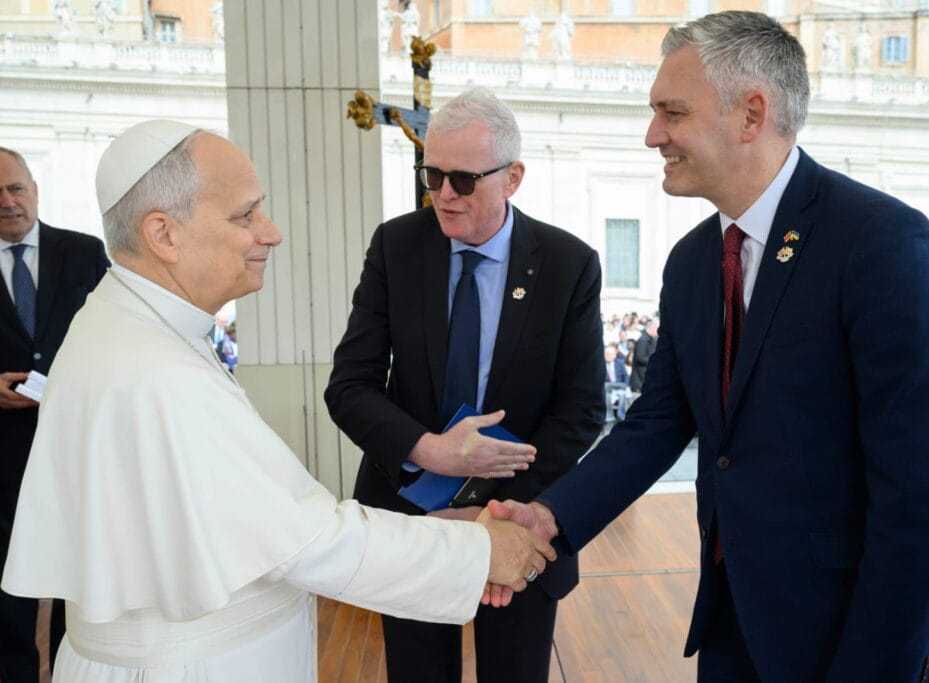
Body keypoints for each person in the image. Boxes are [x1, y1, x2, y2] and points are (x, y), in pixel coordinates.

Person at [485, 11, 929, 681]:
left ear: (752, 114)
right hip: (737, 621)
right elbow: (658, 422)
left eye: (672, 113)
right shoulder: (692, 262)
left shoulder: (881, 243)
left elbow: (921, 501)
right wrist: (551, 515)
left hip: (863, 633)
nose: (652, 135)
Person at [1, 119, 554, 682]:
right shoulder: (155, 371)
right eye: (245, 215)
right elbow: (308, 542)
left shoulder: (125, 323)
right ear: (163, 234)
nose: (271, 233)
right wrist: (480, 552)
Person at [324, 88, 604, 683]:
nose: (444, 195)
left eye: (463, 180)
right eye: (432, 176)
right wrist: (431, 451)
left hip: (519, 519)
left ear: (513, 178)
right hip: (410, 522)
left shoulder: (567, 264)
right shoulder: (397, 247)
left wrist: (501, 514)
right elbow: (349, 387)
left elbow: (580, 410)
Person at [0, 147, 109, 683]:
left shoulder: (85, 253)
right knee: (7, 576)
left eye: (15, 188)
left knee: (78, 566)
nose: (7, 202)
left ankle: (73, 669)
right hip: (3, 454)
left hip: (75, 441)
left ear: (35, 190)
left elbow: (115, 334)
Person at [629, 317, 658, 392]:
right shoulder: (643, 340)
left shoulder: (651, 339)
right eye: (657, 329)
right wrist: (655, 360)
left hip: (645, 376)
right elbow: (640, 357)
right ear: (652, 328)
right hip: (640, 379)